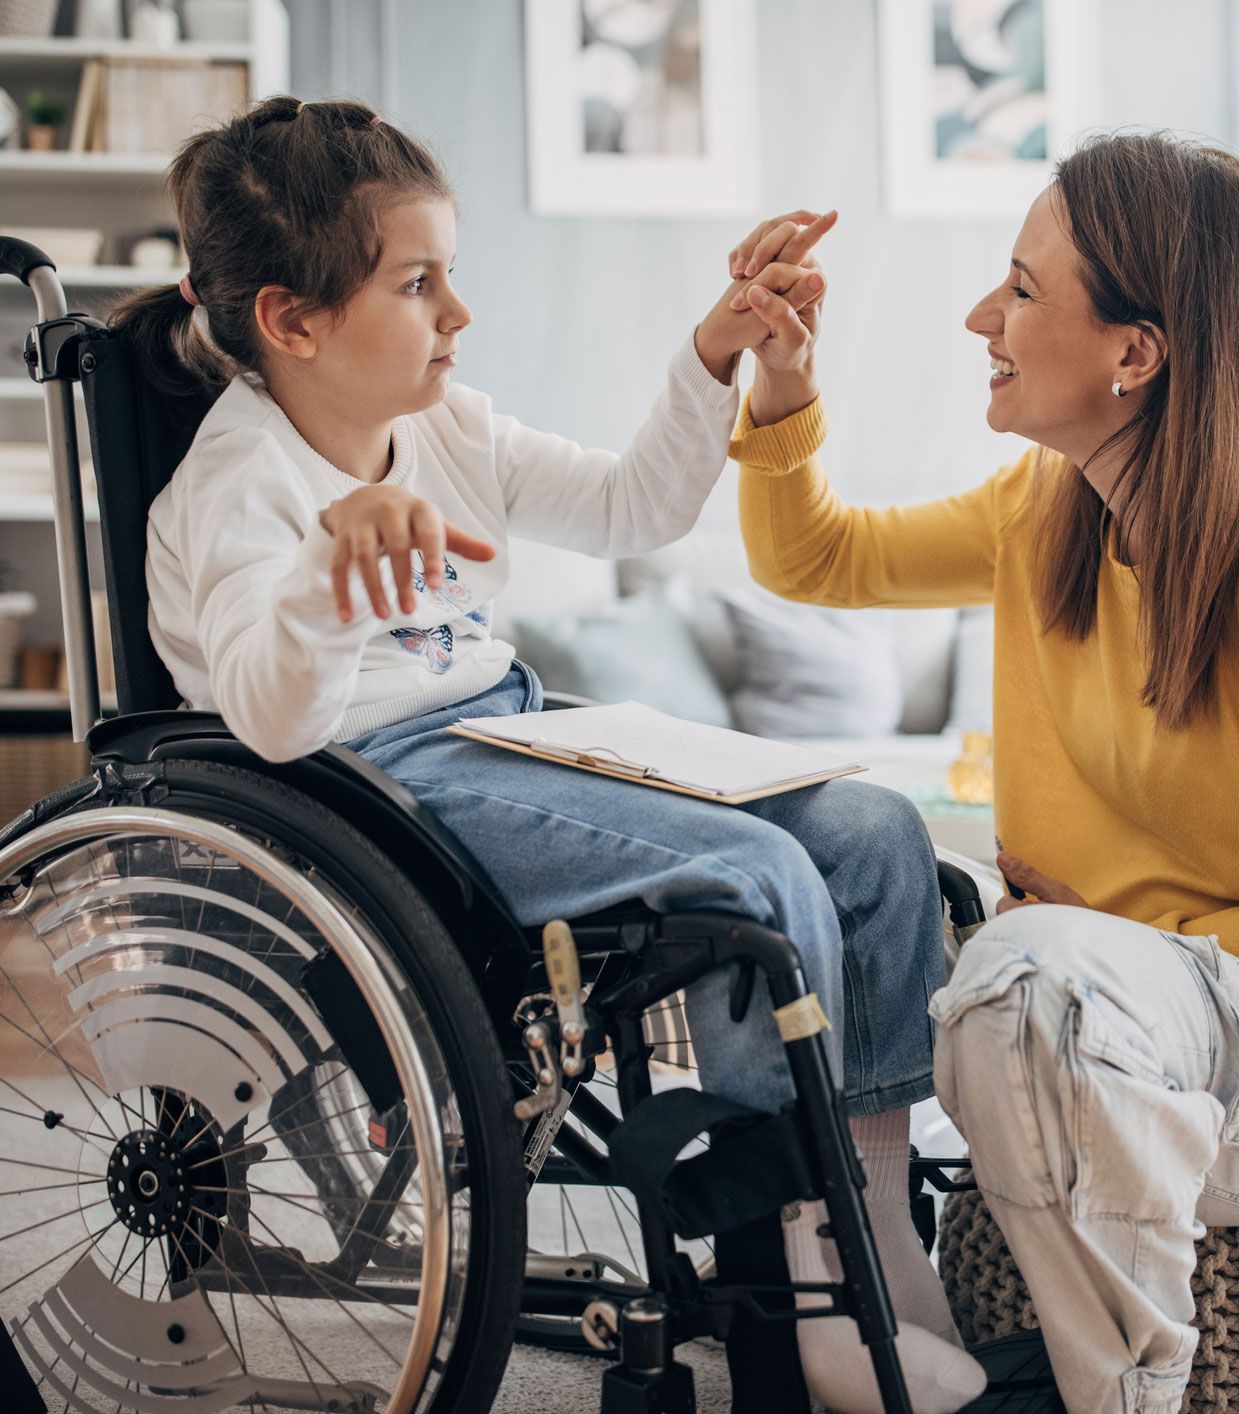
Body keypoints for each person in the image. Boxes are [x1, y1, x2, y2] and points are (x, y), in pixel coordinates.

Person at [119, 96, 986, 1414]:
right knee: (750, 883)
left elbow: (633, 502)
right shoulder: (239, 488)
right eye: (419, 283)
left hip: (512, 730)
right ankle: (791, 1278)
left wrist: (715, 354)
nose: (457, 313)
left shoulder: (449, 427)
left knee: (869, 831)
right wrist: (327, 575)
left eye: (447, 274)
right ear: (293, 321)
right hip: (383, 792)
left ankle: (872, 1230)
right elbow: (275, 721)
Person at [729, 129, 1239, 1413]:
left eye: (1024, 290)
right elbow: (814, 559)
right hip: (1081, 1028)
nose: (984, 316)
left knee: (1029, 977)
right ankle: (910, 1317)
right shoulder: (1046, 514)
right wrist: (781, 374)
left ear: (1134, 354)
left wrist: (1124, 938)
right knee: (982, 969)